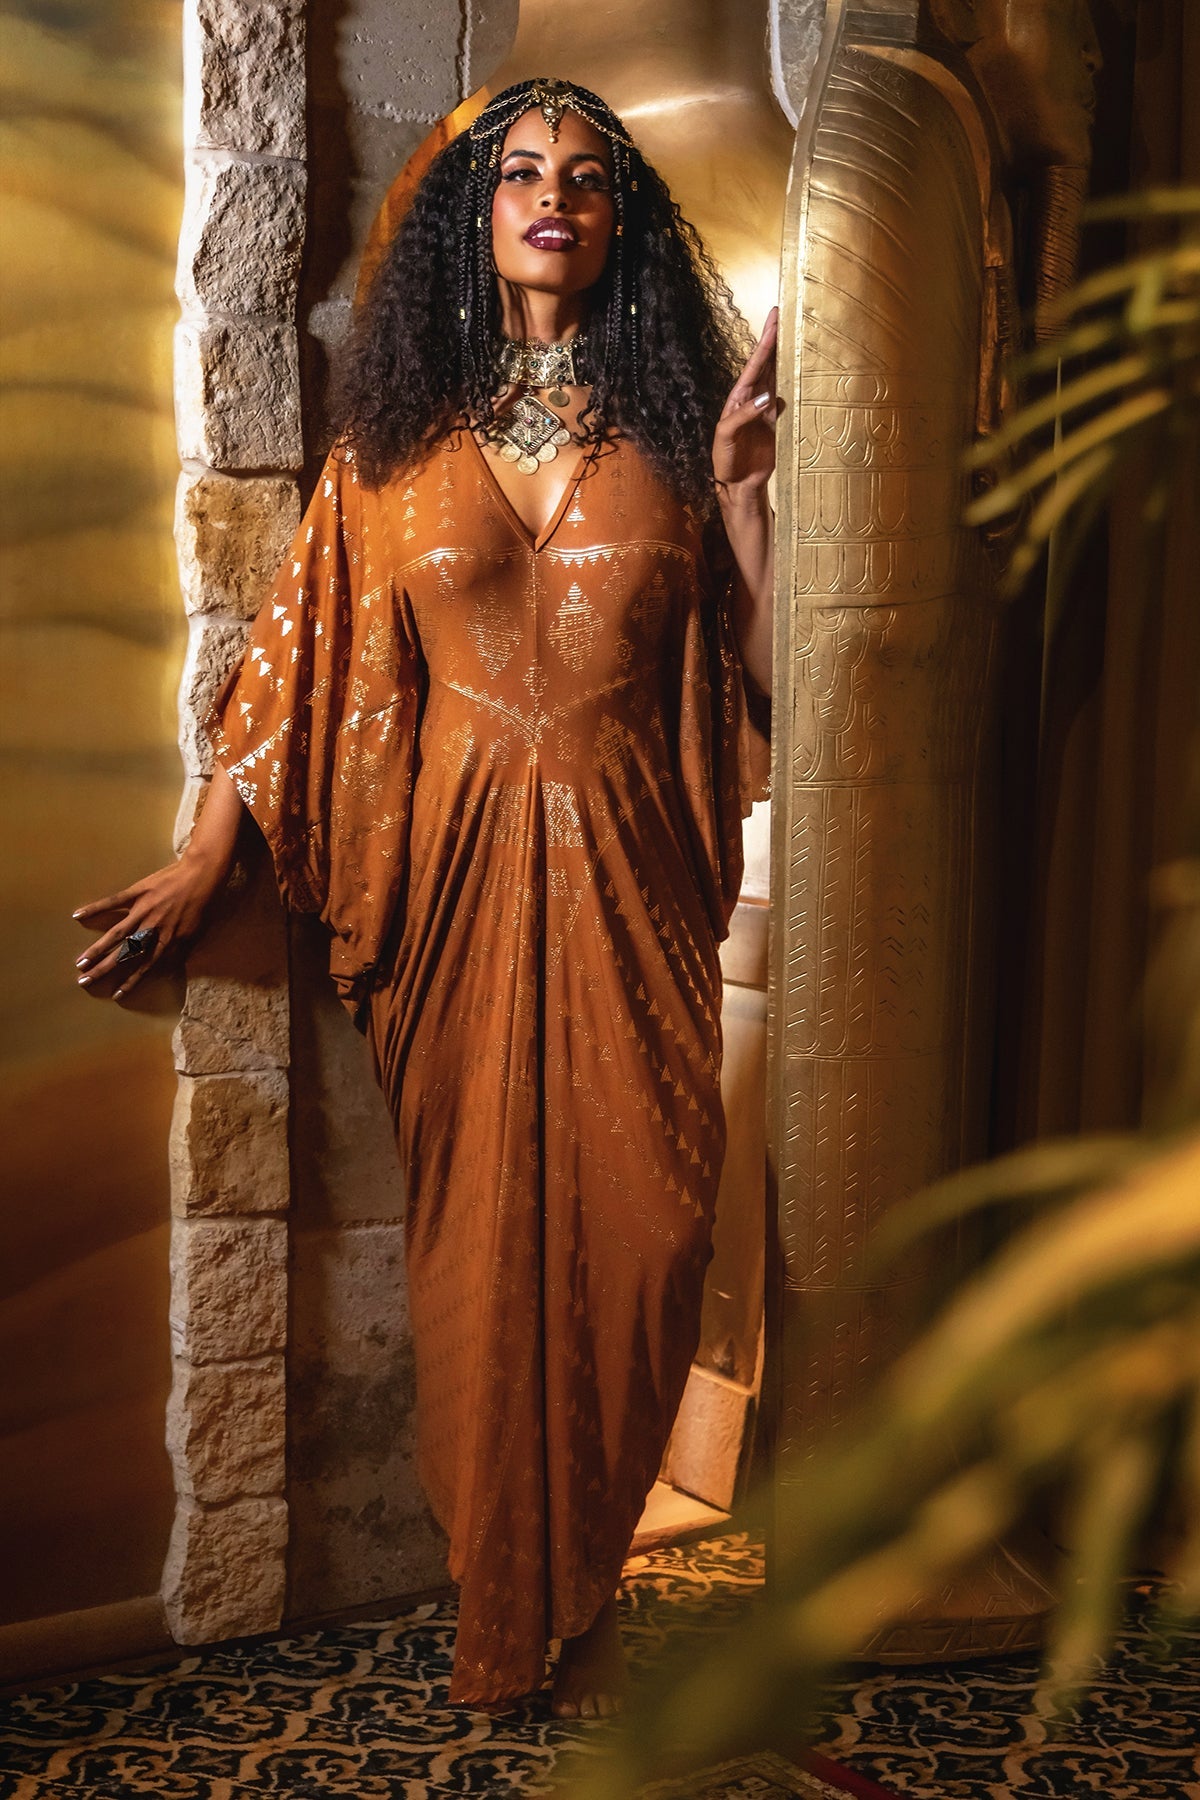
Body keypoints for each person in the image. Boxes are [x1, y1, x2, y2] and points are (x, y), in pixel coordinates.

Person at [73, 78, 778, 1718]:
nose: (555, 196)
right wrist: (204, 849)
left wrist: (744, 493)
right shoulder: (391, 447)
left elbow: (763, 682)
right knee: (480, 1254)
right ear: (479, 216)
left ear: (622, 224)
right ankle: (516, 1605)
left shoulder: (681, 443)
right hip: (455, 899)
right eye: (523, 173)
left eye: (590, 179)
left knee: (651, 1237)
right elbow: (292, 666)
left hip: (637, 895)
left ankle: (588, 1584)